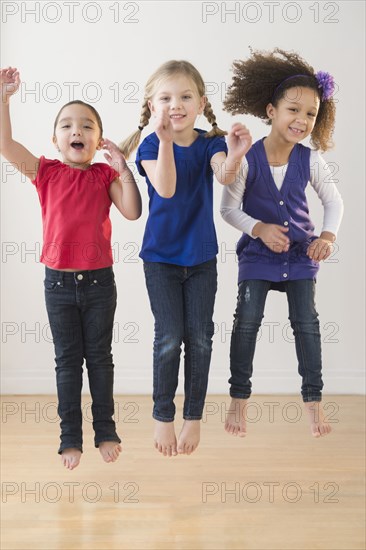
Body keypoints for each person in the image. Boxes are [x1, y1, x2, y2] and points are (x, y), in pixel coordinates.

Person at [0, 66, 142, 469]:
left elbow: (132, 211)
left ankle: (106, 430)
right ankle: (70, 436)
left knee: (99, 358)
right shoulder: (45, 172)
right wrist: (4, 99)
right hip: (58, 284)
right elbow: (5, 143)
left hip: (99, 283)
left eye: (86, 125)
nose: (75, 130)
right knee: (67, 361)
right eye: (67, 125)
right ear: (55, 139)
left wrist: (123, 170)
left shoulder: (103, 175)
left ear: (97, 140)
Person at [119, 59, 252, 457]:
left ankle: (193, 416)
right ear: (152, 104)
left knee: (200, 337)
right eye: (165, 97)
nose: (175, 104)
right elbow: (167, 187)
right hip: (160, 258)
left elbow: (224, 175)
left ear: (200, 103)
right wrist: (163, 141)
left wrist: (236, 154)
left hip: (200, 259)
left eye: (184, 96)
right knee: (169, 337)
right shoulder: (147, 146)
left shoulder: (210, 140)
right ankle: (164, 415)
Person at [220, 48, 344, 438]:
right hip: (257, 256)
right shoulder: (246, 158)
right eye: (294, 110)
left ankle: (313, 404)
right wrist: (258, 229)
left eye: (311, 114)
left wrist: (326, 235)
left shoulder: (311, 160)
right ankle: (238, 401)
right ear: (271, 111)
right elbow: (227, 209)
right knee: (247, 323)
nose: (302, 120)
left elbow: (333, 201)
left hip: (300, 254)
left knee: (306, 324)